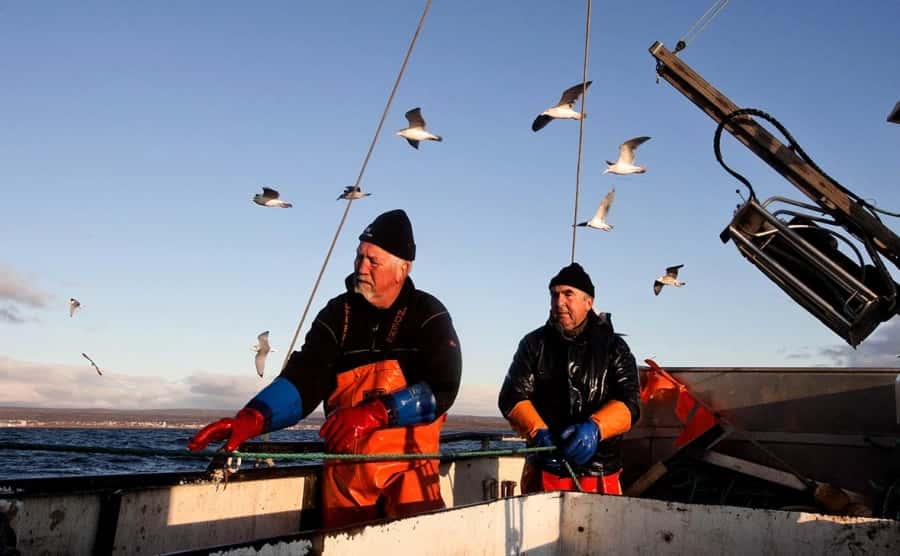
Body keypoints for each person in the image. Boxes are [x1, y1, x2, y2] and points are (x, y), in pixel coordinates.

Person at [188, 209, 462, 528]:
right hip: (346, 479)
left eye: (373, 261)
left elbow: (444, 386)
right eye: (359, 257)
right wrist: (253, 417)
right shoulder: (337, 315)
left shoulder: (428, 314)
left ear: (403, 268)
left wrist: (377, 412)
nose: (362, 267)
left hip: (411, 474)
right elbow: (306, 377)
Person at [498, 262, 640, 494]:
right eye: (554, 295)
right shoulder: (533, 344)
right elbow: (511, 396)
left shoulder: (615, 347)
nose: (559, 302)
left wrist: (596, 428)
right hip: (544, 469)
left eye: (568, 294)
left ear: (589, 302)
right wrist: (538, 432)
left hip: (599, 473)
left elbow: (630, 403)